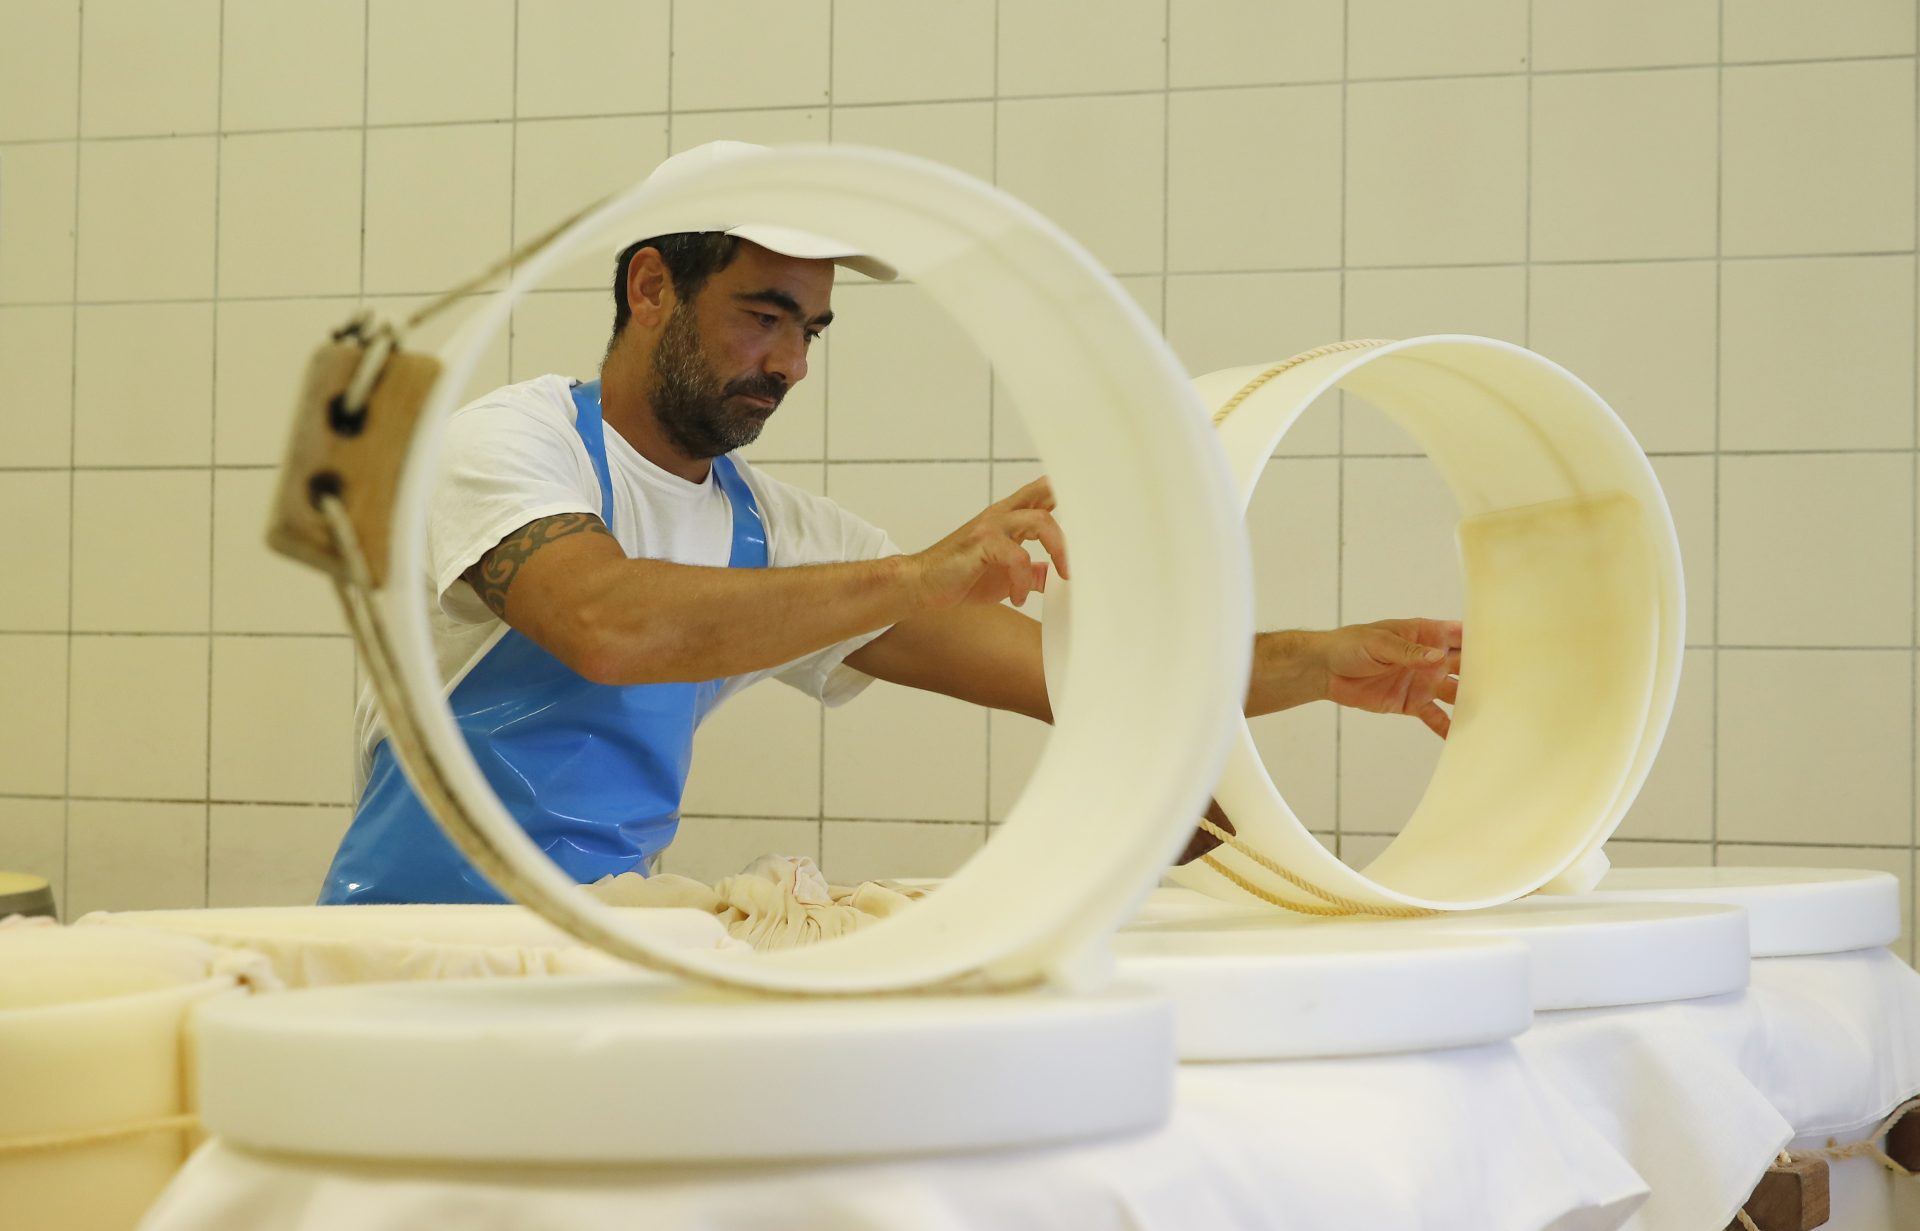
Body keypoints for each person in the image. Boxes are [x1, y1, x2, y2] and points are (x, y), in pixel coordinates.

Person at [318, 141, 1461, 905]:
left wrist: (1329, 662)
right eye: (763, 317)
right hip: (402, 947)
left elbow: (1087, 678)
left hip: (604, 940)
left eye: (812, 331)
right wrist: (917, 575)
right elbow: (607, 622)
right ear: (651, 286)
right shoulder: (505, 444)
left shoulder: (776, 532)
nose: (789, 364)